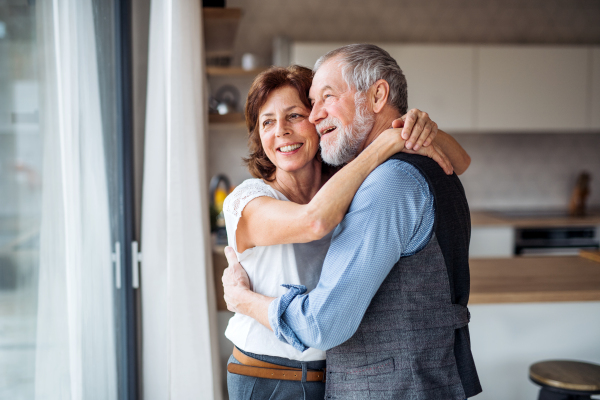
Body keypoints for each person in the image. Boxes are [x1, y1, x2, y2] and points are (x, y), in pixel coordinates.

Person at [223, 44, 482, 400]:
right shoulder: (249, 199)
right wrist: (388, 140)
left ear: (377, 95)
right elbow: (313, 221)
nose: (313, 117)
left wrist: (422, 130)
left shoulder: (359, 184)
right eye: (267, 122)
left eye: (302, 111)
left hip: (355, 376)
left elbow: (461, 160)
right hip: (268, 376)